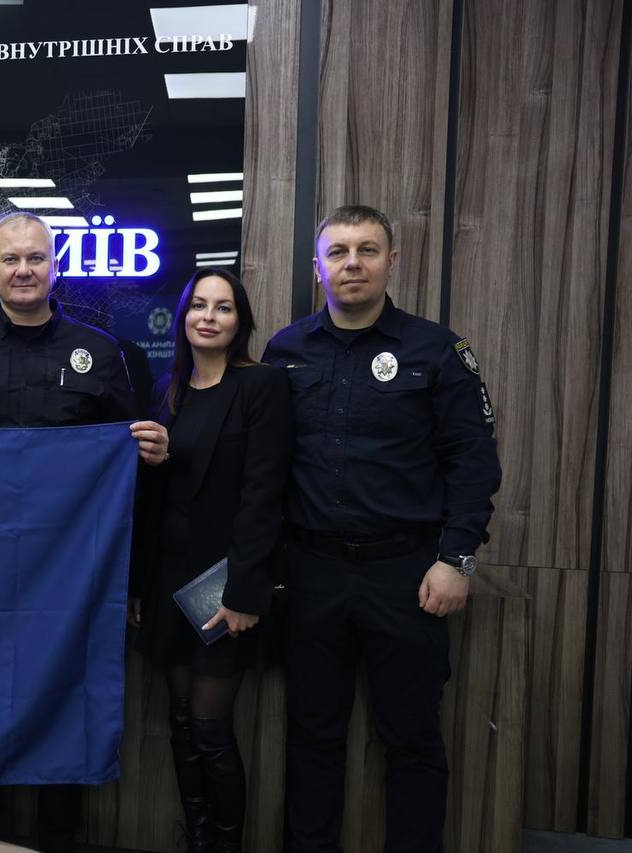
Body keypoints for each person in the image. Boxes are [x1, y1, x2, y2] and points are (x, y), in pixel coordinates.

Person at [0, 211, 168, 853]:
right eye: (11, 259)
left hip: (70, 574)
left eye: (35, 258)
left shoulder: (100, 353)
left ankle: (59, 837)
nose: (24, 270)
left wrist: (151, 449)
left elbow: (128, 466)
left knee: (63, 699)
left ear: (55, 267)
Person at [262, 205, 501, 852]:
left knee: (412, 738)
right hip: (310, 571)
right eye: (338, 252)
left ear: (392, 261)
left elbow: (474, 459)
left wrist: (457, 558)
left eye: (367, 250)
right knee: (312, 734)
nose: (353, 264)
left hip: (407, 574)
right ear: (318, 268)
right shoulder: (285, 350)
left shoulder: (437, 349)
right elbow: (263, 462)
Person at [129, 268, 292, 853]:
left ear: (240, 321)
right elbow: (154, 497)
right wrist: (138, 586)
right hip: (168, 578)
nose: (208, 316)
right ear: (182, 317)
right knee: (179, 720)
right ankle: (198, 839)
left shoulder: (261, 385)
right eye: (199, 305)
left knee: (210, 725)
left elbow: (263, 494)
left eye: (223, 307)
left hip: (224, 582)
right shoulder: (165, 389)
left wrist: (245, 591)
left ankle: (224, 845)